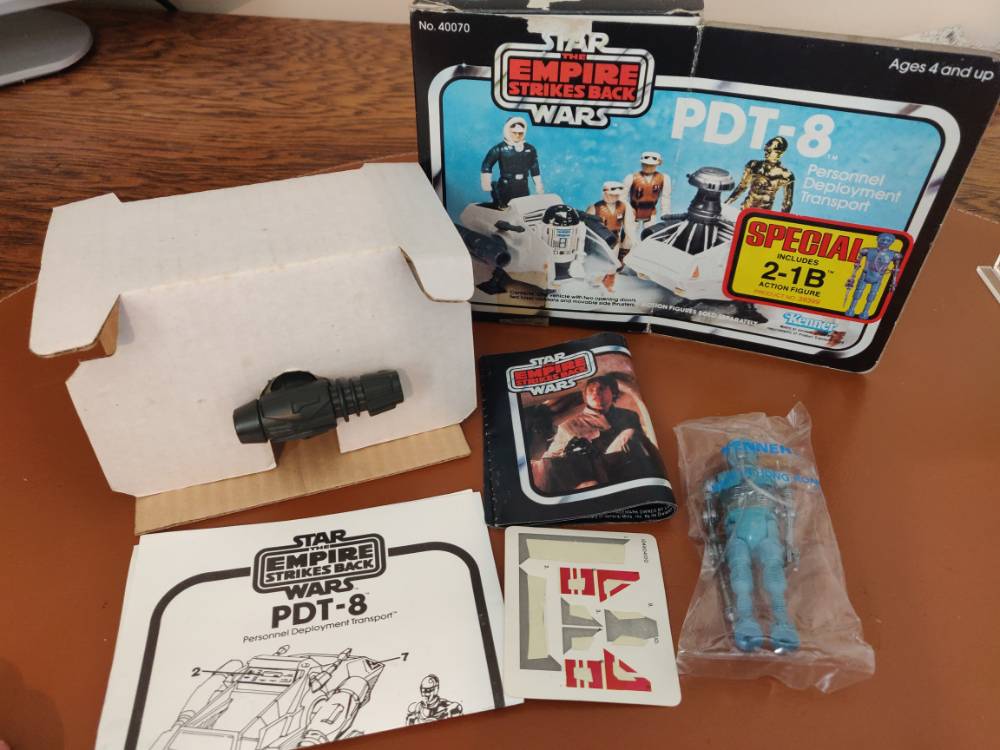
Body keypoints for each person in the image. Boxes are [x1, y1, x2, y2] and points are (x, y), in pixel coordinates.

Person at [537, 375, 664, 491]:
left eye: (601, 388)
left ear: (613, 391)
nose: (596, 393)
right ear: (585, 395)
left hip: (629, 468)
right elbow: (552, 457)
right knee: (630, 433)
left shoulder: (629, 415)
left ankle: (659, 477)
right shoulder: (569, 423)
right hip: (595, 472)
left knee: (632, 436)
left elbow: (644, 446)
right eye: (590, 390)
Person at [480, 116, 543, 208]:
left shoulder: (530, 149)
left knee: (523, 208)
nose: (517, 135)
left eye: (520, 133)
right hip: (506, 185)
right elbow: (487, 165)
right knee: (505, 208)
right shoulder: (500, 148)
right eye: (514, 133)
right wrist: (486, 183)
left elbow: (534, 167)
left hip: (523, 185)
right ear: (507, 131)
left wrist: (538, 184)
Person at [725, 136, 795, 213]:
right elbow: (741, 187)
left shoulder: (786, 175)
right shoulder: (753, 165)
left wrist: (781, 220)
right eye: (766, 149)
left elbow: (787, 203)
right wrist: (725, 205)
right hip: (745, 210)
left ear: (779, 153)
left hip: (762, 215)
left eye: (770, 150)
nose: (766, 152)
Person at [586, 181, 636, 259]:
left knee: (613, 262)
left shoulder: (623, 206)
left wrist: (629, 243)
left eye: (617, 195)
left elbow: (628, 227)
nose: (615, 197)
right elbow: (587, 229)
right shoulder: (595, 207)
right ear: (605, 193)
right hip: (600, 241)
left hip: (615, 240)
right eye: (612, 195)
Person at [623, 151, 670, 233]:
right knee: (629, 235)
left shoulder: (663, 178)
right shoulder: (631, 177)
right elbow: (622, 197)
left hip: (651, 212)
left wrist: (665, 212)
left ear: (657, 164)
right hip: (634, 211)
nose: (648, 167)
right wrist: (628, 209)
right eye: (645, 164)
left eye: (651, 165)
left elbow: (665, 197)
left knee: (650, 234)